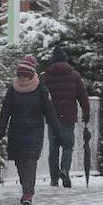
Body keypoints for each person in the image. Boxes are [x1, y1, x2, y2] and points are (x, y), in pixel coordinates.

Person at [0, 55, 62, 205]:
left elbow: (49, 111)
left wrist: (57, 130)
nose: (22, 78)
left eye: (25, 75)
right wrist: (0, 130)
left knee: (30, 162)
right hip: (16, 131)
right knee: (20, 163)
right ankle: (25, 186)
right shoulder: (12, 90)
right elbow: (5, 111)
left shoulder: (40, 90)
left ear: (31, 75)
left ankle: (28, 193)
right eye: (20, 75)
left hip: (34, 131)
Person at [41, 46, 89, 188]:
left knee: (53, 149)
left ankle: (54, 179)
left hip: (52, 118)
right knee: (68, 146)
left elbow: (41, 97)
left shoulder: (45, 77)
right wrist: (86, 113)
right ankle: (64, 171)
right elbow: (83, 97)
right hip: (68, 117)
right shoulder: (74, 76)